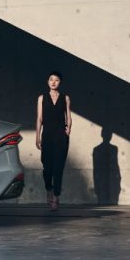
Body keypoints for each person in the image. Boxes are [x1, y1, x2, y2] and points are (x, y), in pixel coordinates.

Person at [35, 71, 72, 210]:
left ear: (60, 82)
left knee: (58, 168)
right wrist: (37, 136)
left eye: (56, 80)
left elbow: (68, 116)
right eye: (51, 79)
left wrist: (68, 128)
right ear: (47, 82)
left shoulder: (65, 98)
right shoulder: (41, 98)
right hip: (47, 136)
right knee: (47, 169)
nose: (53, 82)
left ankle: (56, 196)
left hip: (61, 137)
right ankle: (49, 189)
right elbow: (39, 118)